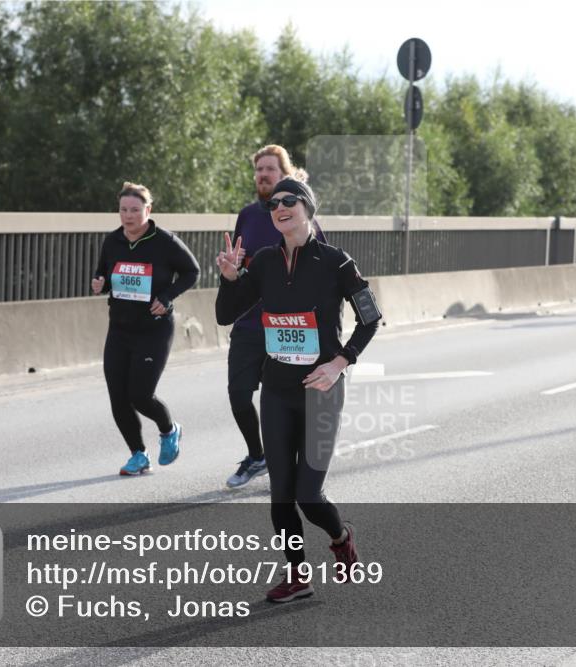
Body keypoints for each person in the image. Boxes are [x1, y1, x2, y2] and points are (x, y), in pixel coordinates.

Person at [215, 177, 380, 602]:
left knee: (309, 495)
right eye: (273, 204)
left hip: (321, 389)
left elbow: (371, 318)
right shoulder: (266, 261)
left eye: (290, 201)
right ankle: (298, 576)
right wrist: (231, 278)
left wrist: (340, 362)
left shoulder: (336, 262)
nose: (280, 207)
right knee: (281, 495)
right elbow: (225, 314)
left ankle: (341, 537)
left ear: (308, 209)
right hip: (277, 389)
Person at [223, 145, 326, 489]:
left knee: (282, 403)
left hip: (289, 328)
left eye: (270, 169)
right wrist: (231, 273)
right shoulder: (249, 215)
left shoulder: (303, 216)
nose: (262, 175)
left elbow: (322, 269)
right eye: (258, 170)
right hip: (250, 324)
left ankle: (291, 466)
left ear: (285, 175)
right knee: (239, 395)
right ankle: (258, 456)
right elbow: (239, 262)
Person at [92, 182, 200, 475]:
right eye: (124, 210)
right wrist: (99, 282)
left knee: (140, 394)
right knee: (118, 397)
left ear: (147, 210)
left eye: (135, 210)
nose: (128, 216)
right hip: (120, 329)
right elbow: (104, 272)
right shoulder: (113, 240)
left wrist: (166, 298)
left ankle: (169, 429)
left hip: (153, 329)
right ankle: (138, 455)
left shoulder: (164, 241)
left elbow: (192, 272)